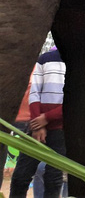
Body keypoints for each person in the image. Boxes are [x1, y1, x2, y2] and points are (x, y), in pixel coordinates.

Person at [10, 48, 65, 198]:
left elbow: (76, 98)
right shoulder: (44, 59)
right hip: (36, 127)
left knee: (53, 177)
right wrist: (37, 124)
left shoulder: (81, 60)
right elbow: (34, 92)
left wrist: (47, 117)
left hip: (61, 129)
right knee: (21, 176)